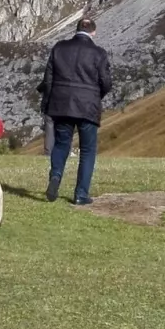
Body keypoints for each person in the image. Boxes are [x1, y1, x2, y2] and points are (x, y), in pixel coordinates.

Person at [38, 16, 113, 205]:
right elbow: (106, 82)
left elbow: (48, 79)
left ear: (76, 29)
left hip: (62, 105)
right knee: (87, 150)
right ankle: (80, 194)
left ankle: (55, 176)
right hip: (88, 106)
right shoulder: (99, 53)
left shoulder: (59, 48)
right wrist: (96, 96)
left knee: (62, 144)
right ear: (93, 32)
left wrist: (47, 103)